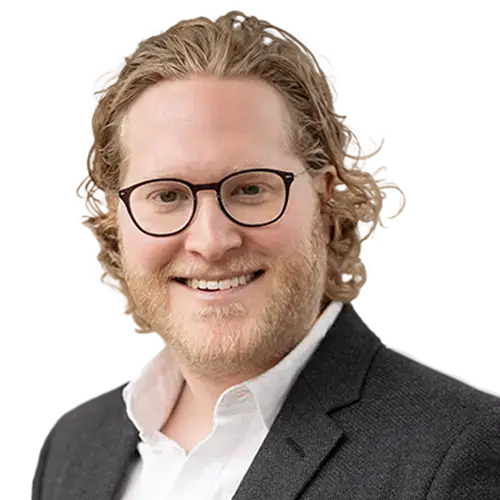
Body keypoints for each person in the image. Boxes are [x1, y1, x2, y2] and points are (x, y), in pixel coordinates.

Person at [28, 13, 499, 500]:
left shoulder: (455, 461)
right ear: (117, 220)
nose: (211, 241)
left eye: (250, 189)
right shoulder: (71, 447)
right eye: (167, 196)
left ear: (324, 202)